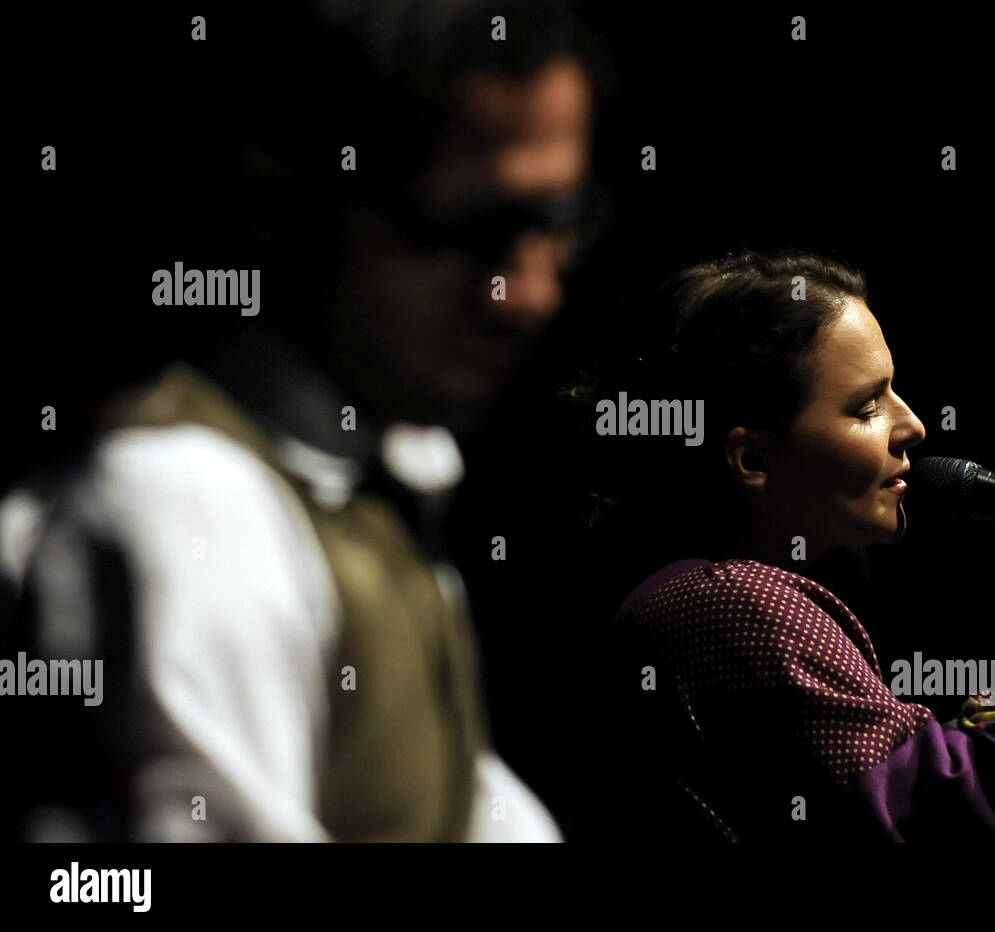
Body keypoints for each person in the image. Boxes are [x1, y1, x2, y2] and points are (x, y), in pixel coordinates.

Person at [0, 0, 600, 842]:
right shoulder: (183, 505)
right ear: (278, 206)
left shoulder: (376, 479)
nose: (530, 294)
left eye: (556, 223)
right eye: (463, 231)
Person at [592, 248, 995, 841]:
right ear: (754, 458)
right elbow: (983, 808)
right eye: (867, 406)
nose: (912, 427)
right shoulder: (733, 605)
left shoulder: (711, 598)